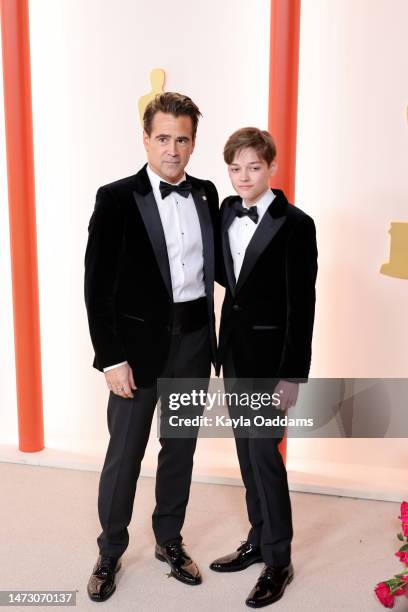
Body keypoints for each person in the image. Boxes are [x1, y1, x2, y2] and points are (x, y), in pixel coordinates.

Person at [84, 92, 219, 602]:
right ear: (146, 139)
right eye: (163, 138)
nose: (172, 149)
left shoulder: (207, 194)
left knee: (179, 450)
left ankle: (168, 540)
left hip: (193, 346)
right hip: (135, 354)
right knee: (124, 455)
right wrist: (111, 358)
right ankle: (109, 550)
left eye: (182, 139)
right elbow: (96, 287)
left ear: (193, 143)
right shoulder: (115, 198)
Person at [210, 127, 317, 608]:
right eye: (235, 168)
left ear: (272, 167)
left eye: (254, 167)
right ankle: (257, 540)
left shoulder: (296, 224)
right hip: (233, 355)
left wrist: (292, 374)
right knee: (247, 455)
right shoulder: (226, 213)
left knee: (266, 458)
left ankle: (279, 559)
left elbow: (302, 304)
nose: (243, 177)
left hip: (271, 363)